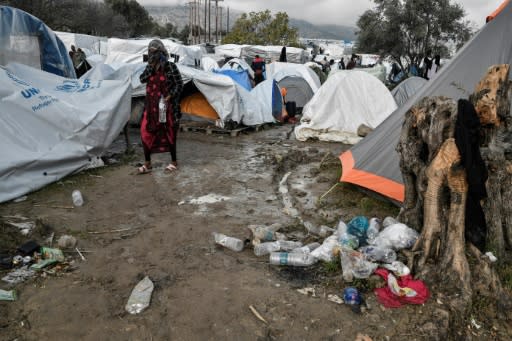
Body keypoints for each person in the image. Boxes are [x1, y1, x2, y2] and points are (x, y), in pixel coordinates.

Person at [138, 39, 184, 174]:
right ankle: (147, 163)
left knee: (169, 133)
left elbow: (179, 84)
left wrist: (170, 96)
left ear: (161, 52)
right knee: (145, 132)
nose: (152, 55)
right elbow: (142, 79)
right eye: (150, 52)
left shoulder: (170, 67)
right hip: (151, 107)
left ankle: (174, 162)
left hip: (167, 107)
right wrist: (151, 68)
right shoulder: (149, 66)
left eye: (155, 52)